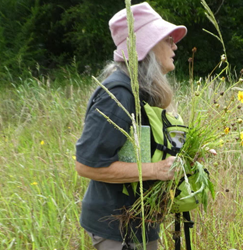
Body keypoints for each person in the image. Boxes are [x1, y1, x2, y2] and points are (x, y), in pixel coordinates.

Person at [75, 2, 187, 249]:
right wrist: (157, 170)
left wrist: (192, 157)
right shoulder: (119, 94)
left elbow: (146, 146)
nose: (175, 45)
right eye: (167, 39)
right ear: (146, 45)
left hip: (141, 223)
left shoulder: (142, 90)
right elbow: (86, 165)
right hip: (117, 228)